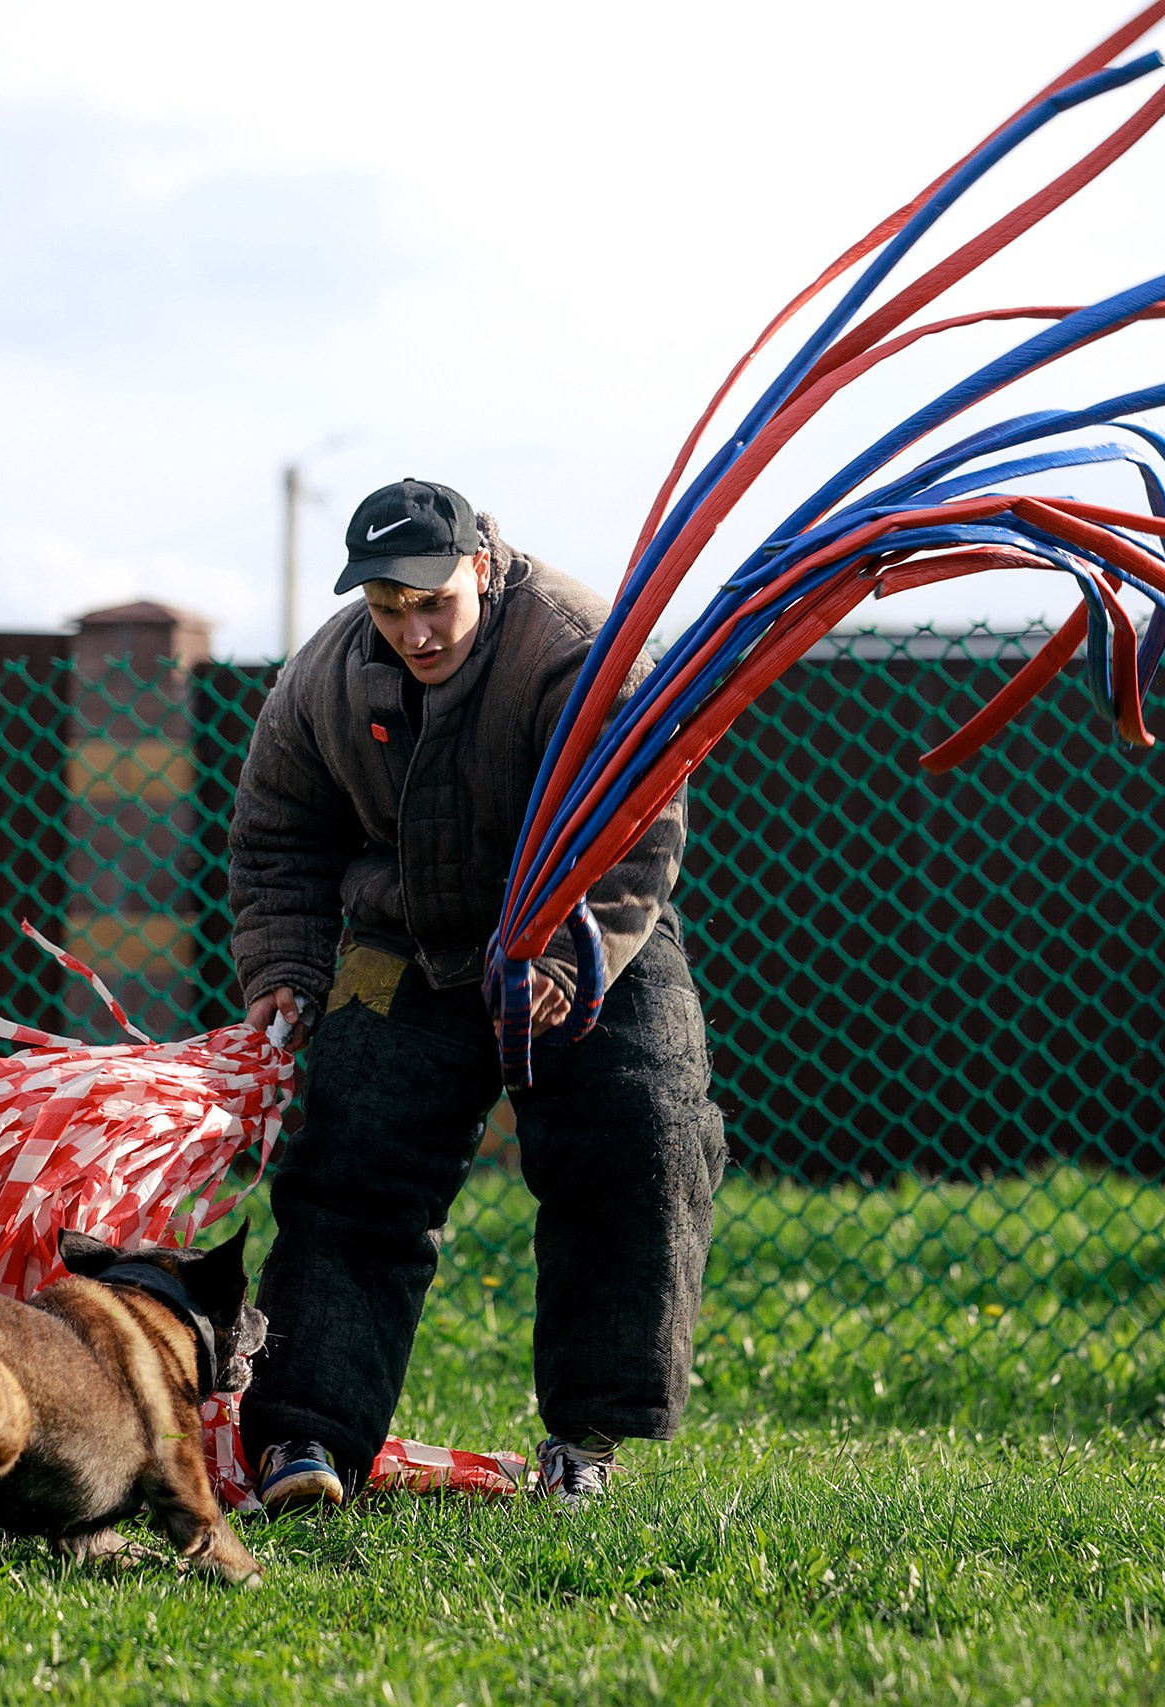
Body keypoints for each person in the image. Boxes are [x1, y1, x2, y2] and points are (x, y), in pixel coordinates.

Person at [229, 476, 727, 1510]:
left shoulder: (583, 648)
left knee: (639, 1143)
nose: (412, 630)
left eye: (432, 602)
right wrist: (283, 973)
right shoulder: (322, 677)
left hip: (584, 931)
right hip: (405, 939)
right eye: (387, 607)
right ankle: (304, 1444)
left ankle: (586, 1443)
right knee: (348, 1178)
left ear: (483, 567)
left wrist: (557, 957)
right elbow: (278, 833)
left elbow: (636, 827)